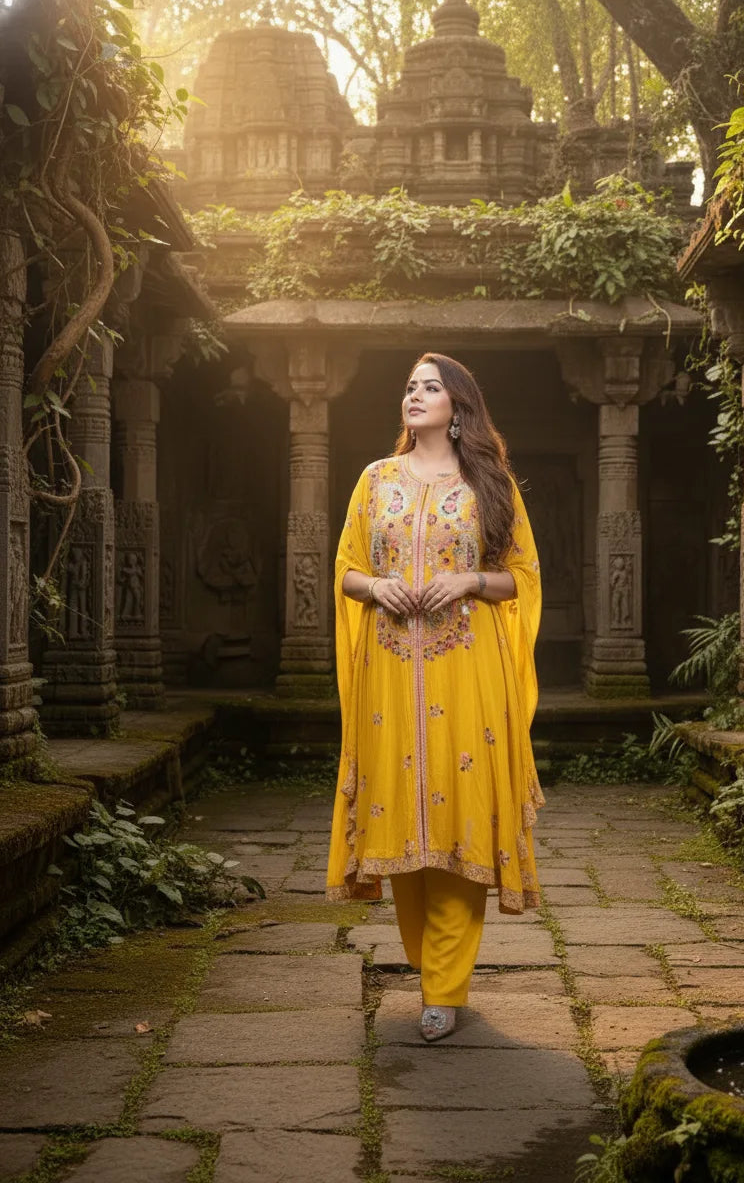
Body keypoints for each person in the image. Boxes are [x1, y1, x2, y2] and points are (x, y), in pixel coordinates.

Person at [326, 352, 544, 1042]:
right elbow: (348, 571)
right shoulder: (375, 480)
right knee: (398, 821)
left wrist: (469, 583)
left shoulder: (490, 482)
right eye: (410, 387)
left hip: (467, 671)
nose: (416, 395)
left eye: (431, 387)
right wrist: (379, 588)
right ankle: (429, 965)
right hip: (388, 675)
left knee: (460, 816)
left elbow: (523, 579)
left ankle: (444, 985)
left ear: (459, 405)